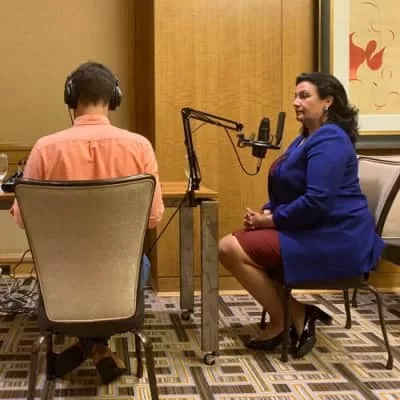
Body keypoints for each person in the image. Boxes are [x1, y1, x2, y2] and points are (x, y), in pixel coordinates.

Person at [10, 61, 164, 383]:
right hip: (119, 284)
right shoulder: (140, 147)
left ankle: (85, 346)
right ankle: (97, 347)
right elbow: (153, 219)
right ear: (114, 98)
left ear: (71, 97)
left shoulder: (45, 148)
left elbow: (23, 219)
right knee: (141, 264)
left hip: (62, 283)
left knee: (63, 272)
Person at [218, 72, 384, 358]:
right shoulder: (304, 139)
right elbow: (293, 189)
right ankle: (295, 314)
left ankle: (288, 317)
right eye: (295, 96)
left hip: (336, 238)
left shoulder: (330, 139)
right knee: (237, 242)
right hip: (315, 229)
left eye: (304, 96)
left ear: (328, 101)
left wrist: (270, 220)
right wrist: (268, 210)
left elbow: (317, 201)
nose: (296, 102)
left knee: (229, 247)